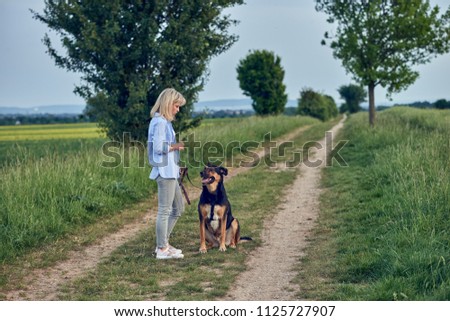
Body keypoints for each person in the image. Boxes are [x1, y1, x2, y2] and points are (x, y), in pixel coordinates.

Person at [148, 88, 186, 259]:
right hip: (164, 173)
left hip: (171, 171)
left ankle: (164, 244)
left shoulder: (164, 122)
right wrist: (176, 146)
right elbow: (158, 148)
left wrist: (176, 164)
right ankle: (162, 248)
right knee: (165, 210)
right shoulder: (160, 123)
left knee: (178, 208)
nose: (178, 110)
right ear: (168, 104)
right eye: (176, 106)